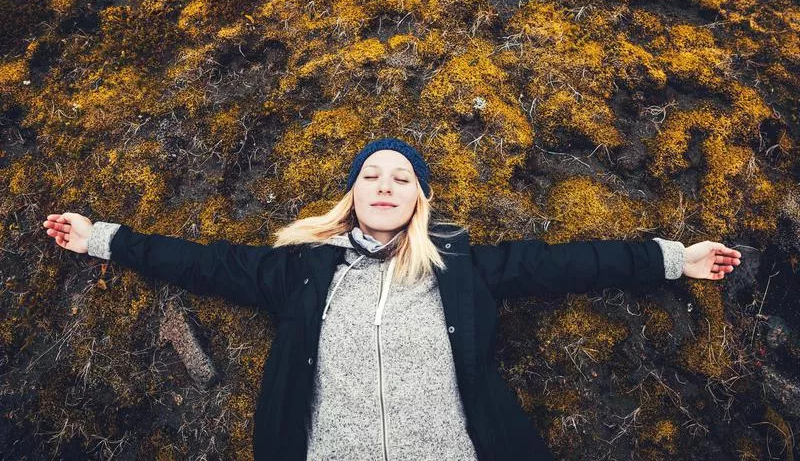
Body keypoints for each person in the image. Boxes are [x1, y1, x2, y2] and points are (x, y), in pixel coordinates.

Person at [42, 137, 742, 460]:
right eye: (371, 175)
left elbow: (573, 265)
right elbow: (197, 262)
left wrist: (677, 258)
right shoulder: (303, 272)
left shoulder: (464, 269)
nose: (384, 185)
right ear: (352, 194)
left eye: (401, 178)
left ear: (418, 201)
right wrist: (101, 238)